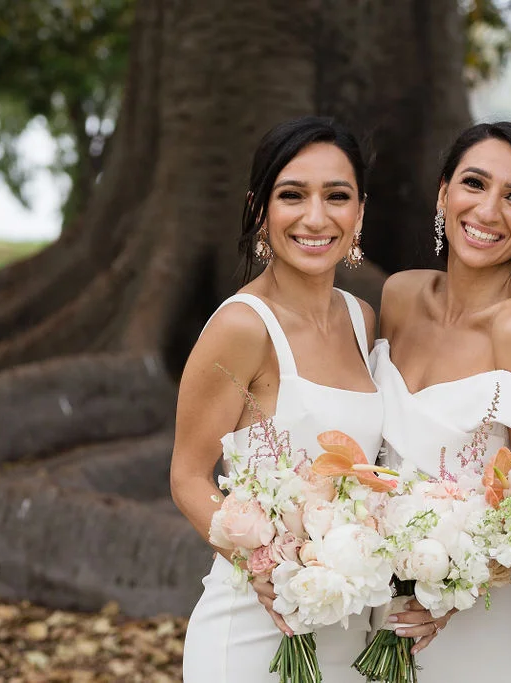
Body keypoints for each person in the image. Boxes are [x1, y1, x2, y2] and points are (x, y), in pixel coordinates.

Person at [171, 116, 381, 682]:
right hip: (258, 627)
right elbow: (188, 476)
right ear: (261, 209)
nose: (316, 217)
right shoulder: (243, 327)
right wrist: (266, 567)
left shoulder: (362, 320)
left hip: (349, 629)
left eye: (337, 196)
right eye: (292, 195)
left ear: (359, 211)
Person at [369, 121, 511, 682]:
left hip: (478, 624)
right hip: (373, 608)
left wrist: (447, 589)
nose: (488, 211)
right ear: (443, 193)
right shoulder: (398, 296)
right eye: (474, 184)